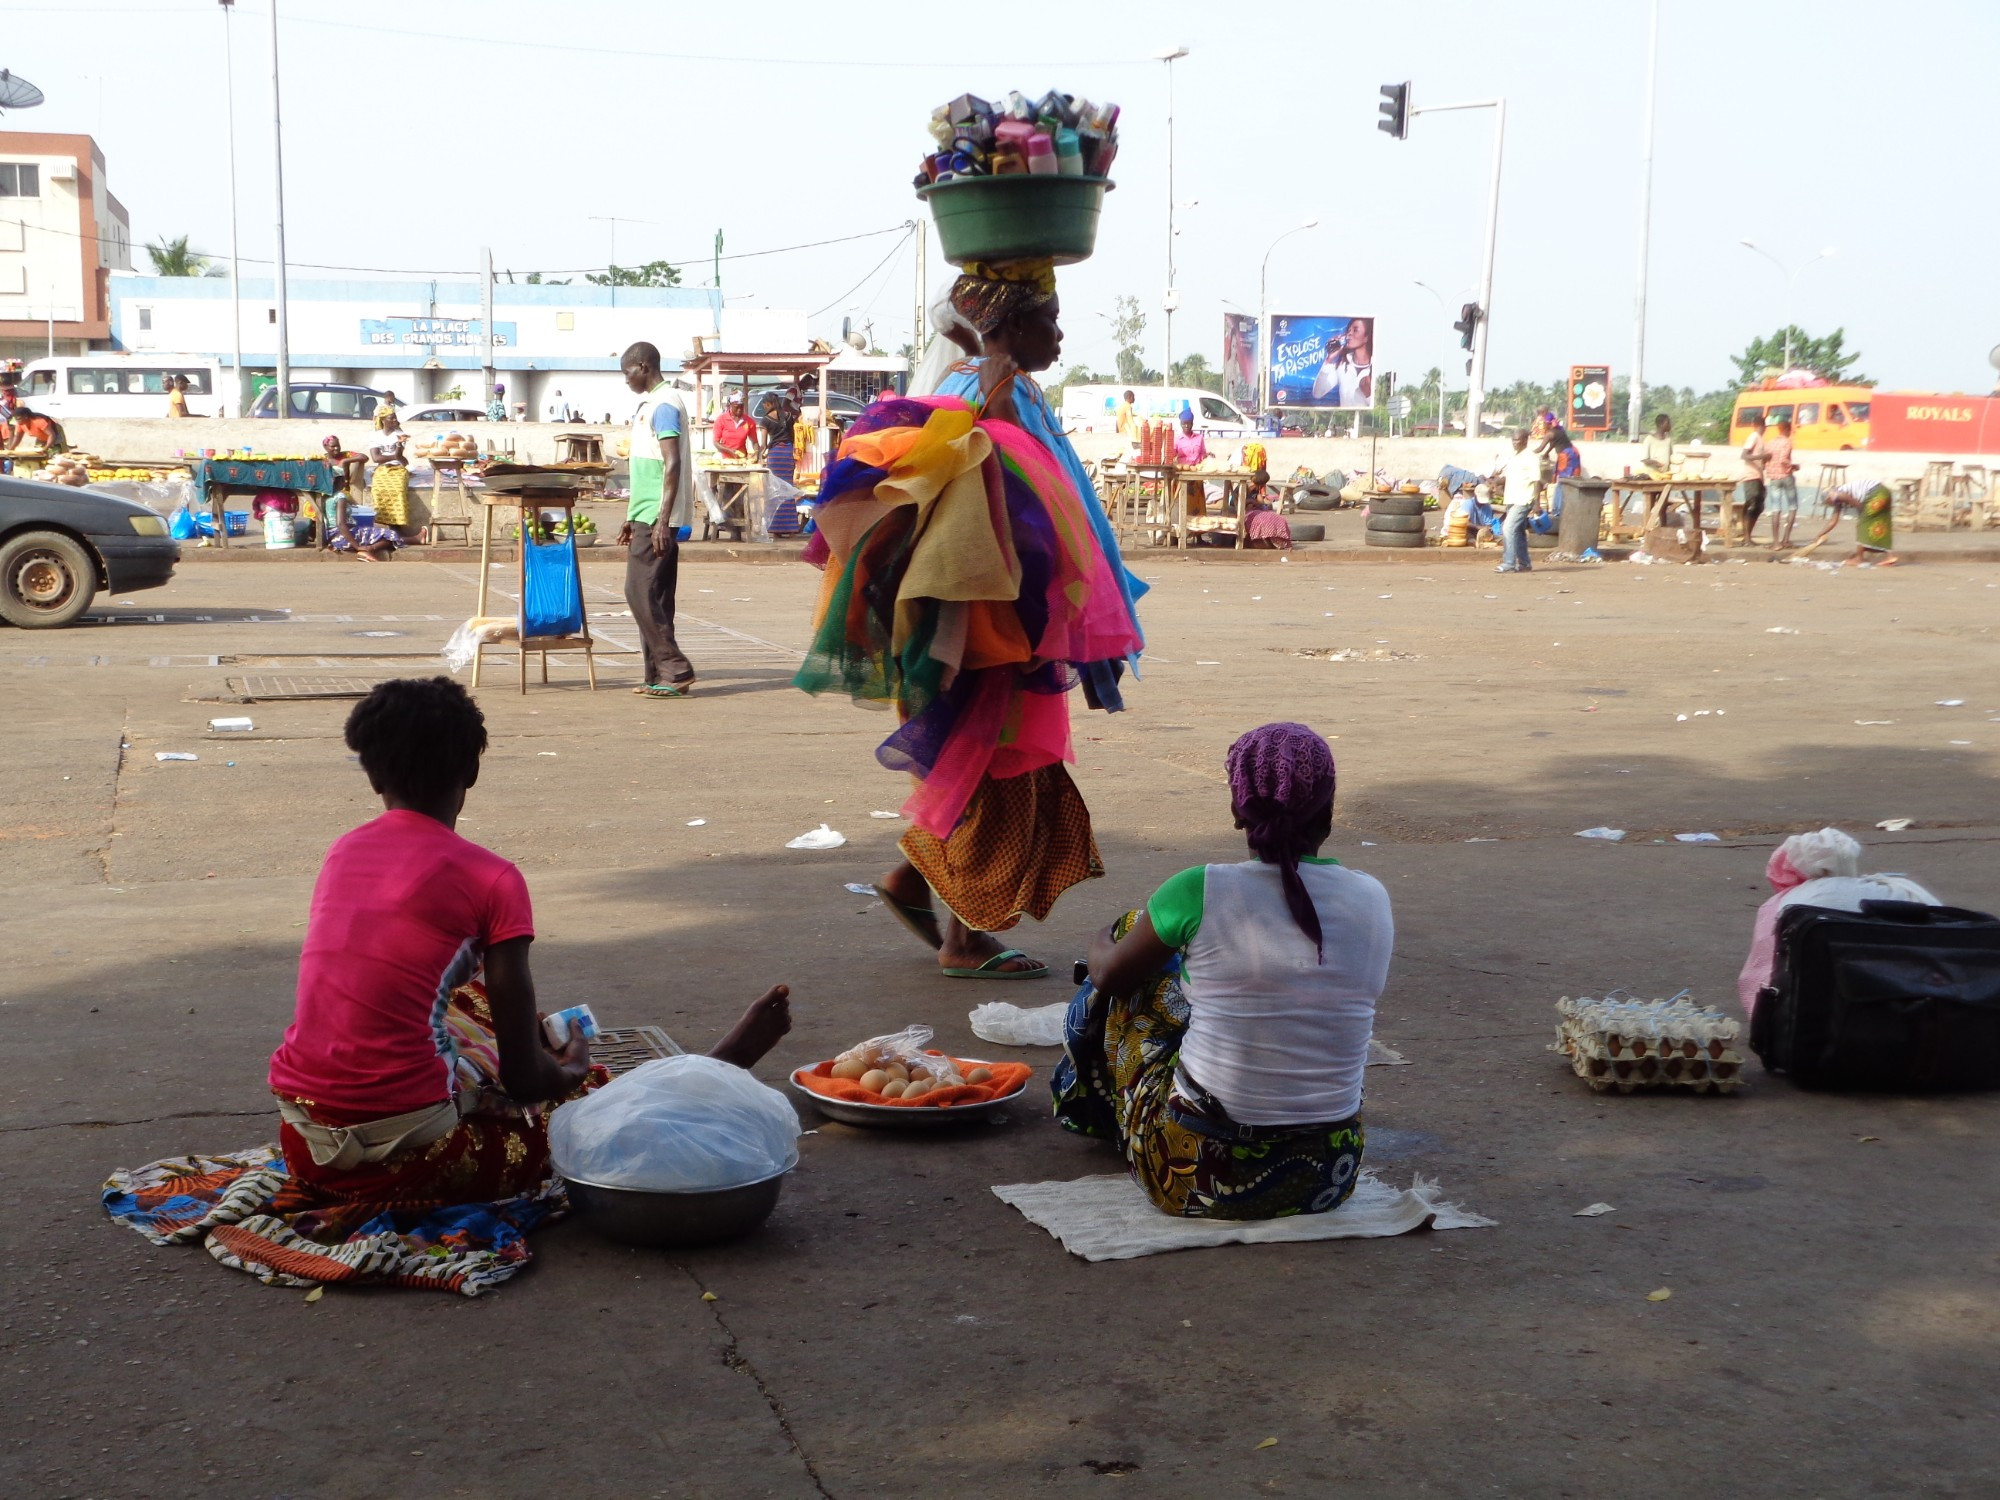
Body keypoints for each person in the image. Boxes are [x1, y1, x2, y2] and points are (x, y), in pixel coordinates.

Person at [103, 677, 794, 1293]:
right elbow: (526, 1084)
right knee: (578, 1105)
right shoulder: (492, 878)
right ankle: (713, 1069)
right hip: (409, 1162)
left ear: (374, 777)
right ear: (471, 769)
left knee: (465, 999)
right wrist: (570, 1073)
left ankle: (537, 1062)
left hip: (301, 1138)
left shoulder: (346, 849)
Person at [800, 257, 1146, 982]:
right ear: (1013, 325)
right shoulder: (992, 393)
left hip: (963, 625)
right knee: (990, 770)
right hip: (982, 626)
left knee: (981, 766)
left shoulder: (978, 386)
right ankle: (962, 937)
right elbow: (1006, 520)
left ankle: (913, 882)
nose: (1059, 333)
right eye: (1048, 319)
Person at [1053, 722, 1389, 1219]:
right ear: (1329, 812)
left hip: (1198, 1175)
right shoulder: (1372, 897)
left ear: (1238, 810)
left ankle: (1094, 1113)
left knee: (1132, 942)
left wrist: (1100, 938)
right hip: (1328, 1174)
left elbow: (1109, 978)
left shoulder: (1198, 889)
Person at [1737, 827, 1939, 1018]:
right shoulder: (1897, 890)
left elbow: (1762, 973)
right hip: (1916, 1003)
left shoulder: (1788, 901)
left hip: (1826, 1014)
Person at [618, 341, 698, 699]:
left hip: (657, 518)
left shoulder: (664, 404)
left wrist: (661, 520)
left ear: (643, 366)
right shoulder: (652, 404)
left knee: (638, 592)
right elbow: (645, 468)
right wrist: (631, 514)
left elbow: (671, 463)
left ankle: (675, 667)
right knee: (657, 596)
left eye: (628, 372)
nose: (627, 380)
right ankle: (658, 675)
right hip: (646, 513)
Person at [321, 433, 398, 560]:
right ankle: (366, 550)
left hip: (335, 538)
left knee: (372, 533)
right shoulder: (339, 496)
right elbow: (341, 524)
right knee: (391, 535)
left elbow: (364, 457)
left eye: (337, 446)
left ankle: (366, 548)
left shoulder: (326, 496)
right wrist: (358, 546)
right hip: (344, 537)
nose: (336, 449)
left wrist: (346, 461)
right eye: (332, 446)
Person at [1493, 428, 1541, 574]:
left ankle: (1509, 562)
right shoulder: (1514, 456)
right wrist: (1496, 481)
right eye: (1513, 440)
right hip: (1512, 499)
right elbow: (1511, 477)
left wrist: (1537, 503)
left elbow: (1536, 481)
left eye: (1517, 440)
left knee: (1507, 528)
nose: (1514, 443)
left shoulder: (1531, 457)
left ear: (1525, 440)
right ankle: (1525, 563)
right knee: (1518, 532)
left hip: (1524, 499)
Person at [367, 410, 412, 533]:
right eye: (391, 418)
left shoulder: (400, 434)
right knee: (378, 489)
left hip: (398, 468)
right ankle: (384, 522)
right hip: (382, 468)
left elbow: (399, 455)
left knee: (398, 490)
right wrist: (397, 457)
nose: (395, 420)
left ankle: (397, 525)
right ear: (383, 420)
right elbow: (376, 458)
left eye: (395, 418)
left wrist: (398, 446)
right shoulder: (375, 435)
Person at [1764, 417, 1799, 548]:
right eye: (1790, 430)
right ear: (1786, 429)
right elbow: (1784, 459)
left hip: (1774, 478)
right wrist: (1794, 466)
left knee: (1775, 509)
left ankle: (1776, 542)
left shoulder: (1770, 443)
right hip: (1786, 476)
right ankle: (1786, 539)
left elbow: (1765, 459)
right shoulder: (1787, 442)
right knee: (1792, 507)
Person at [1736, 414, 1769, 544]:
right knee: (1751, 504)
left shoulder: (1760, 439)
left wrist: (1764, 459)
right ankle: (1746, 537)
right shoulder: (1754, 437)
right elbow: (1744, 455)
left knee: (1759, 507)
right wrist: (1762, 456)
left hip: (1759, 476)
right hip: (1751, 475)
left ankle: (1748, 535)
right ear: (1761, 426)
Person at [1173, 409, 1210, 518]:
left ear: (1192, 424)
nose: (1186, 426)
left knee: (1197, 504)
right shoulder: (1177, 439)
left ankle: (1198, 532)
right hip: (1183, 476)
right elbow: (1171, 455)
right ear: (1180, 424)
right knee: (1184, 503)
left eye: (1188, 423)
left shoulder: (1199, 438)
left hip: (1197, 475)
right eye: (1184, 423)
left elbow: (1203, 454)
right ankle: (1183, 526)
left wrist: (1208, 459)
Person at [1243, 467, 1291, 549]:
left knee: (1277, 518)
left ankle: (1276, 541)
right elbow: (1236, 503)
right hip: (1247, 512)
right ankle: (1262, 539)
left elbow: (1260, 502)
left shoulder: (1256, 490)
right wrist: (1251, 502)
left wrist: (1259, 501)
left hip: (1258, 510)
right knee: (1263, 521)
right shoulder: (1243, 488)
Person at [712, 393, 758, 460]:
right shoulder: (721, 420)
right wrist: (728, 450)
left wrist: (756, 452)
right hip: (724, 459)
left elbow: (754, 442)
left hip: (742, 458)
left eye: (741, 407)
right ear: (730, 406)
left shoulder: (749, 422)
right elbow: (716, 442)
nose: (739, 409)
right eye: (736, 407)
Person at [1640, 413, 1675, 478]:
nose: (1670, 425)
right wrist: (1655, 462)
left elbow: (1671, 458)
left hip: (1664, 475)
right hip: (1651, 476)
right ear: (1661, 424)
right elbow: (1644, 460)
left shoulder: (1668, 440)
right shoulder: (1649, 439)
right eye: (1668, 423)